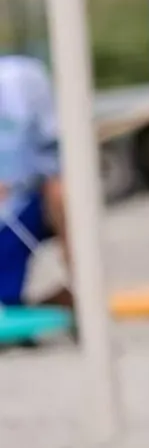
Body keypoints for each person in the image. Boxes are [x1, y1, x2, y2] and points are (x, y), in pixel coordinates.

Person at [0, 53, 65, 311]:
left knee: (64, 192)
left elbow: (55, 157)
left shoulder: (23, 79)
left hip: (20, 207)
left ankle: (82, 294)